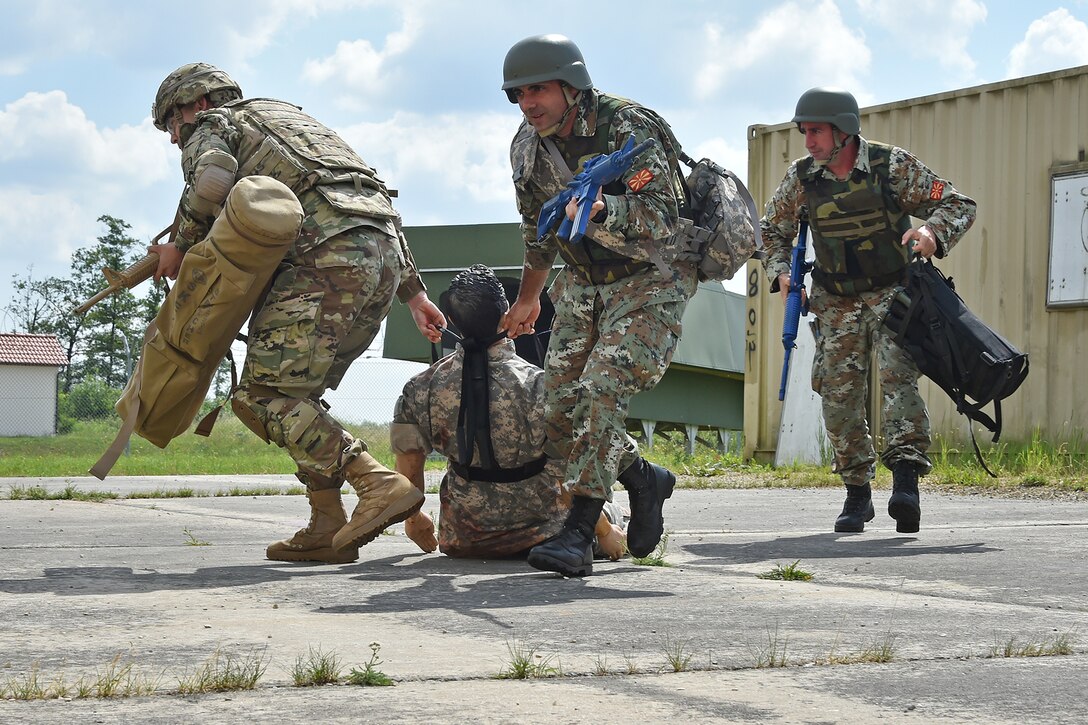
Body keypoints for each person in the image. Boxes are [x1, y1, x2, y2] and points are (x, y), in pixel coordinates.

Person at [151, 63, 446, 564]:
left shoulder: (215, 124)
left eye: (172, 127)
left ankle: (375, 482)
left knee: (263, 396)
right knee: (299, 395)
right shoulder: (294, 122)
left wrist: (178, 245)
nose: (176, 138)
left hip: (321, 260)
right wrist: (413, 295)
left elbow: (213, 180)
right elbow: (364, 198)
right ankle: (326, 521)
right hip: (381, 259)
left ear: (194, 105)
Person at [499, 34, 697, 576]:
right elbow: (535, 230)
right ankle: (642, 478)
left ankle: (580, 529)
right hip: (583, 284)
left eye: (537, 90)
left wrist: (605, 205)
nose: (528, 103)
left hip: (649, 279)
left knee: (601, 389)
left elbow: (663, 216)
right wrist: (529, 298)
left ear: (570, 83)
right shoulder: (527, 146)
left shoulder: (625, 127)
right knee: (561, 408)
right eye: (518, 94)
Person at [760, 87, 977, 534]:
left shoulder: (890, 166)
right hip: (835, 300)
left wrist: (932, 234)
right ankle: (857, 494)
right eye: (804, 132)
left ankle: (905, 483)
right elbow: (770, 231)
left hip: (893, 294)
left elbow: (958, 204)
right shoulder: (801, 179)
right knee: (838, 397)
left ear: (844, 131)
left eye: (816, 131)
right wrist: (781, 272)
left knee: (899, 380)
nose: (808, 142)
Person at [391, 264, 625, 561]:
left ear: (450, 319)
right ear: (507, 316)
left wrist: (414, 521)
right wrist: (605, 533)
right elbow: (567, 472)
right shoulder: (541, 384)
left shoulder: (419, 388)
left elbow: (408, 468)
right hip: (546, 534)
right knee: (614, 506)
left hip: (464, 539)